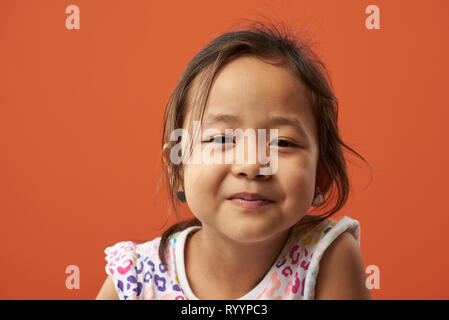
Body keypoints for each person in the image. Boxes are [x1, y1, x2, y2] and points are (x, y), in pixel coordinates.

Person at [96, 20, 372, 300]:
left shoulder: (327, 258)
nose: (252, 165)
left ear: (321, 175)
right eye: (221, 140)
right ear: (178, 167)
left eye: (282, 143)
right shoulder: (136, 280)